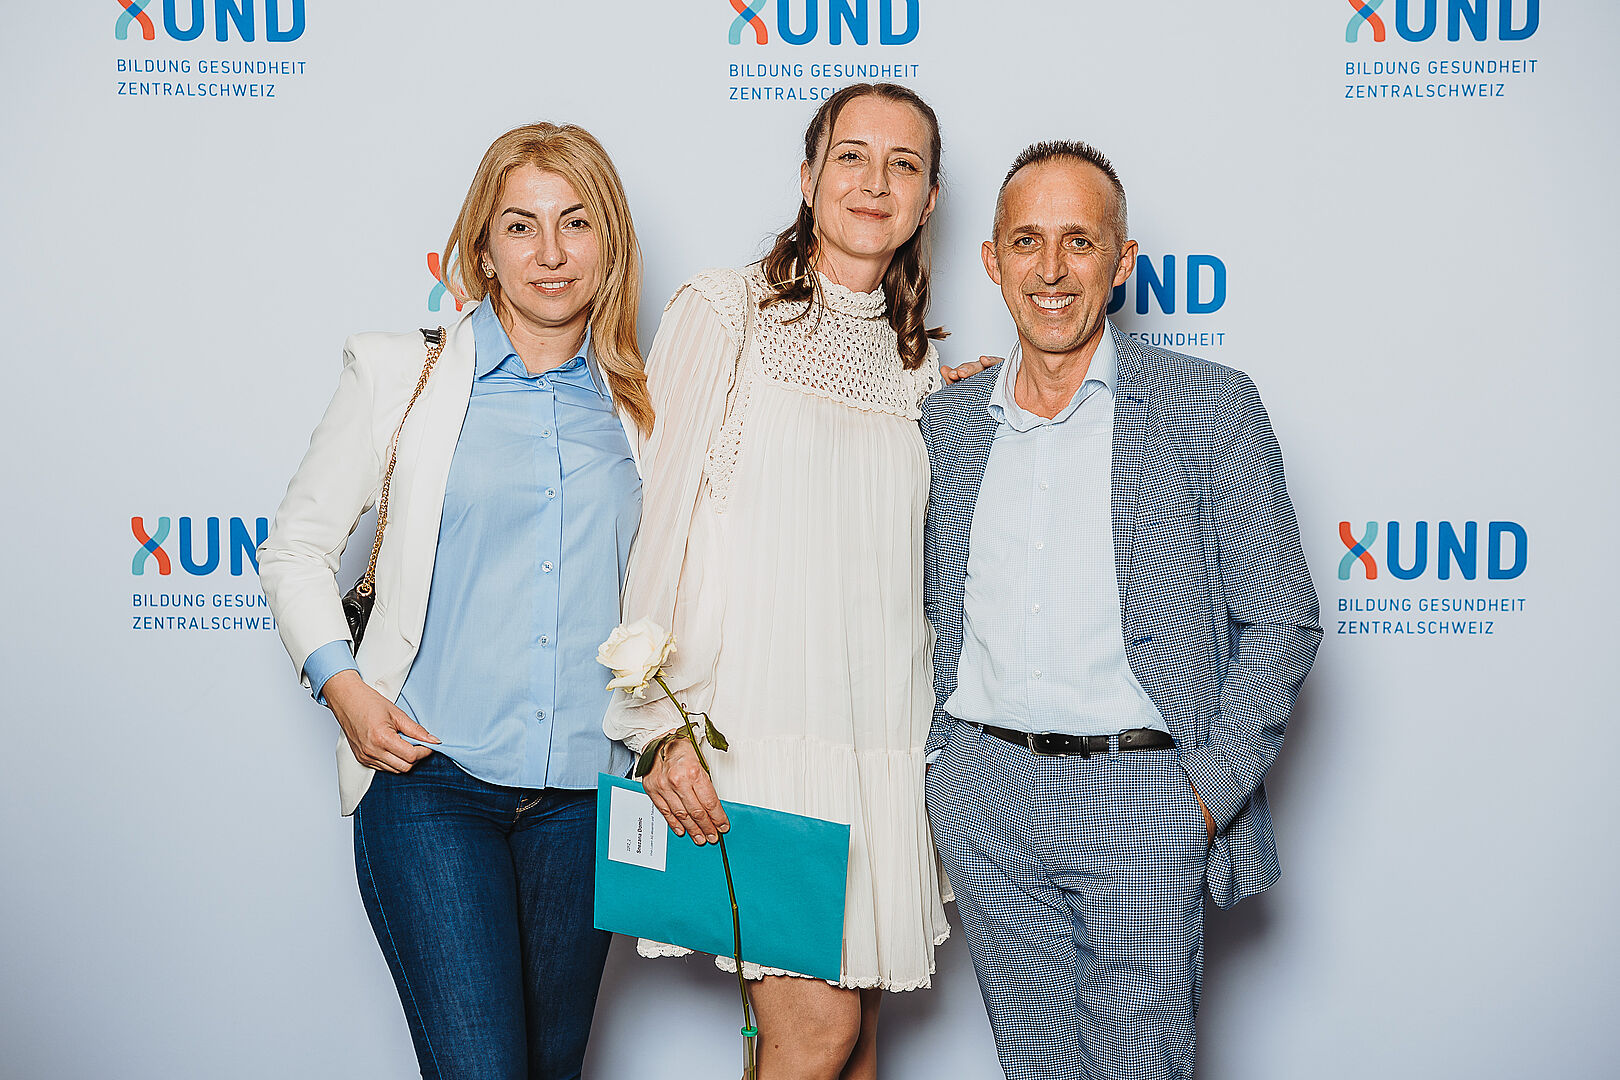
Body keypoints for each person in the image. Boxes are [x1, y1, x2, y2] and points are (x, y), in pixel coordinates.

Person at [921, 141, 1322, 1080]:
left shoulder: (1207, 406)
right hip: (984, 791)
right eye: (1027, 241)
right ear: (991, 259)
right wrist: (946, 770)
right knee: (1036, 1067)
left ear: (1122, 261)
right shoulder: (951, 422)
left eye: (1079, 241)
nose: (1051, 270)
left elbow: (1283, 619)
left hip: (1142, 791)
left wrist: (1202, 795)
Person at [258, 122, 649, 1080]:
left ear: (610, 242)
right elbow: (296, 548)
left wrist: (943, 384)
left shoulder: (650, 403)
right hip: (433, 784)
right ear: (482, 246)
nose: (550, 253)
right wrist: (346, 691)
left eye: (576, 223)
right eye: (521, 225)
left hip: (586, 803)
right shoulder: (402, 373)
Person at [605, 83, 950, 1080]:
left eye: (903, 164)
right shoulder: (726, 310)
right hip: (757, 734)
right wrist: (656, 722)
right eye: (851, 156)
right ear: (808, 177)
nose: (874, 182)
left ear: (929, 199)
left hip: (881, 743)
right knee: (816, 1035)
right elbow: (658, 526)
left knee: (859, 1051)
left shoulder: (922, 367)